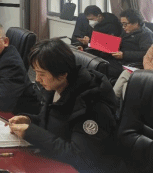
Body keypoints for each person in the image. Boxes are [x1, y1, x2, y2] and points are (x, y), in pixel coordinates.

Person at [8, 39, 120, 173]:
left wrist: (31, 132)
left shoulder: (92, 104)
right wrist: (30, 120)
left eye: (41, 74)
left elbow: (80, 157)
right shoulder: (57, 87)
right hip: (53, 163)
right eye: (35, 72)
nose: (37, 79)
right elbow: (55, 123)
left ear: (62, 75)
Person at [94, 9, 153, 79]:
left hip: (129, 63)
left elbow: (145, 54)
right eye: (122, 24)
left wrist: (124, 55)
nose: (123, 27)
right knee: (96, 61)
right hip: (117, 59)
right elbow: (121, 42)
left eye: (125, 24)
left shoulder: (146, 34)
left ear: (136, 23)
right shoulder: (127, 31)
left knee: (101, 67)